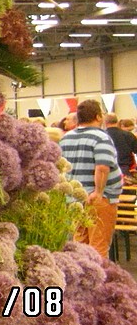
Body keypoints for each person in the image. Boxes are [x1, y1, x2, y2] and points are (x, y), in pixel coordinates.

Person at [59, 100, 123, 258]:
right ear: (98, 116)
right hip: (98, 199)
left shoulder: (66, 138)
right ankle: (99, 280)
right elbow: (102, 167)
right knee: (98, 247)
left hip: (74, 200)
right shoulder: (101, 137)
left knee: (79, 246)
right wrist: (99, 192)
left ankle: (81, 281)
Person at [105, 113, 137, 180]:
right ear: (117, 121)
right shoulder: (128, 135)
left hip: (106, 170)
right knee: (126, 189)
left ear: (105, 122)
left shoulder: (102, 136)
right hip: (125, 170)